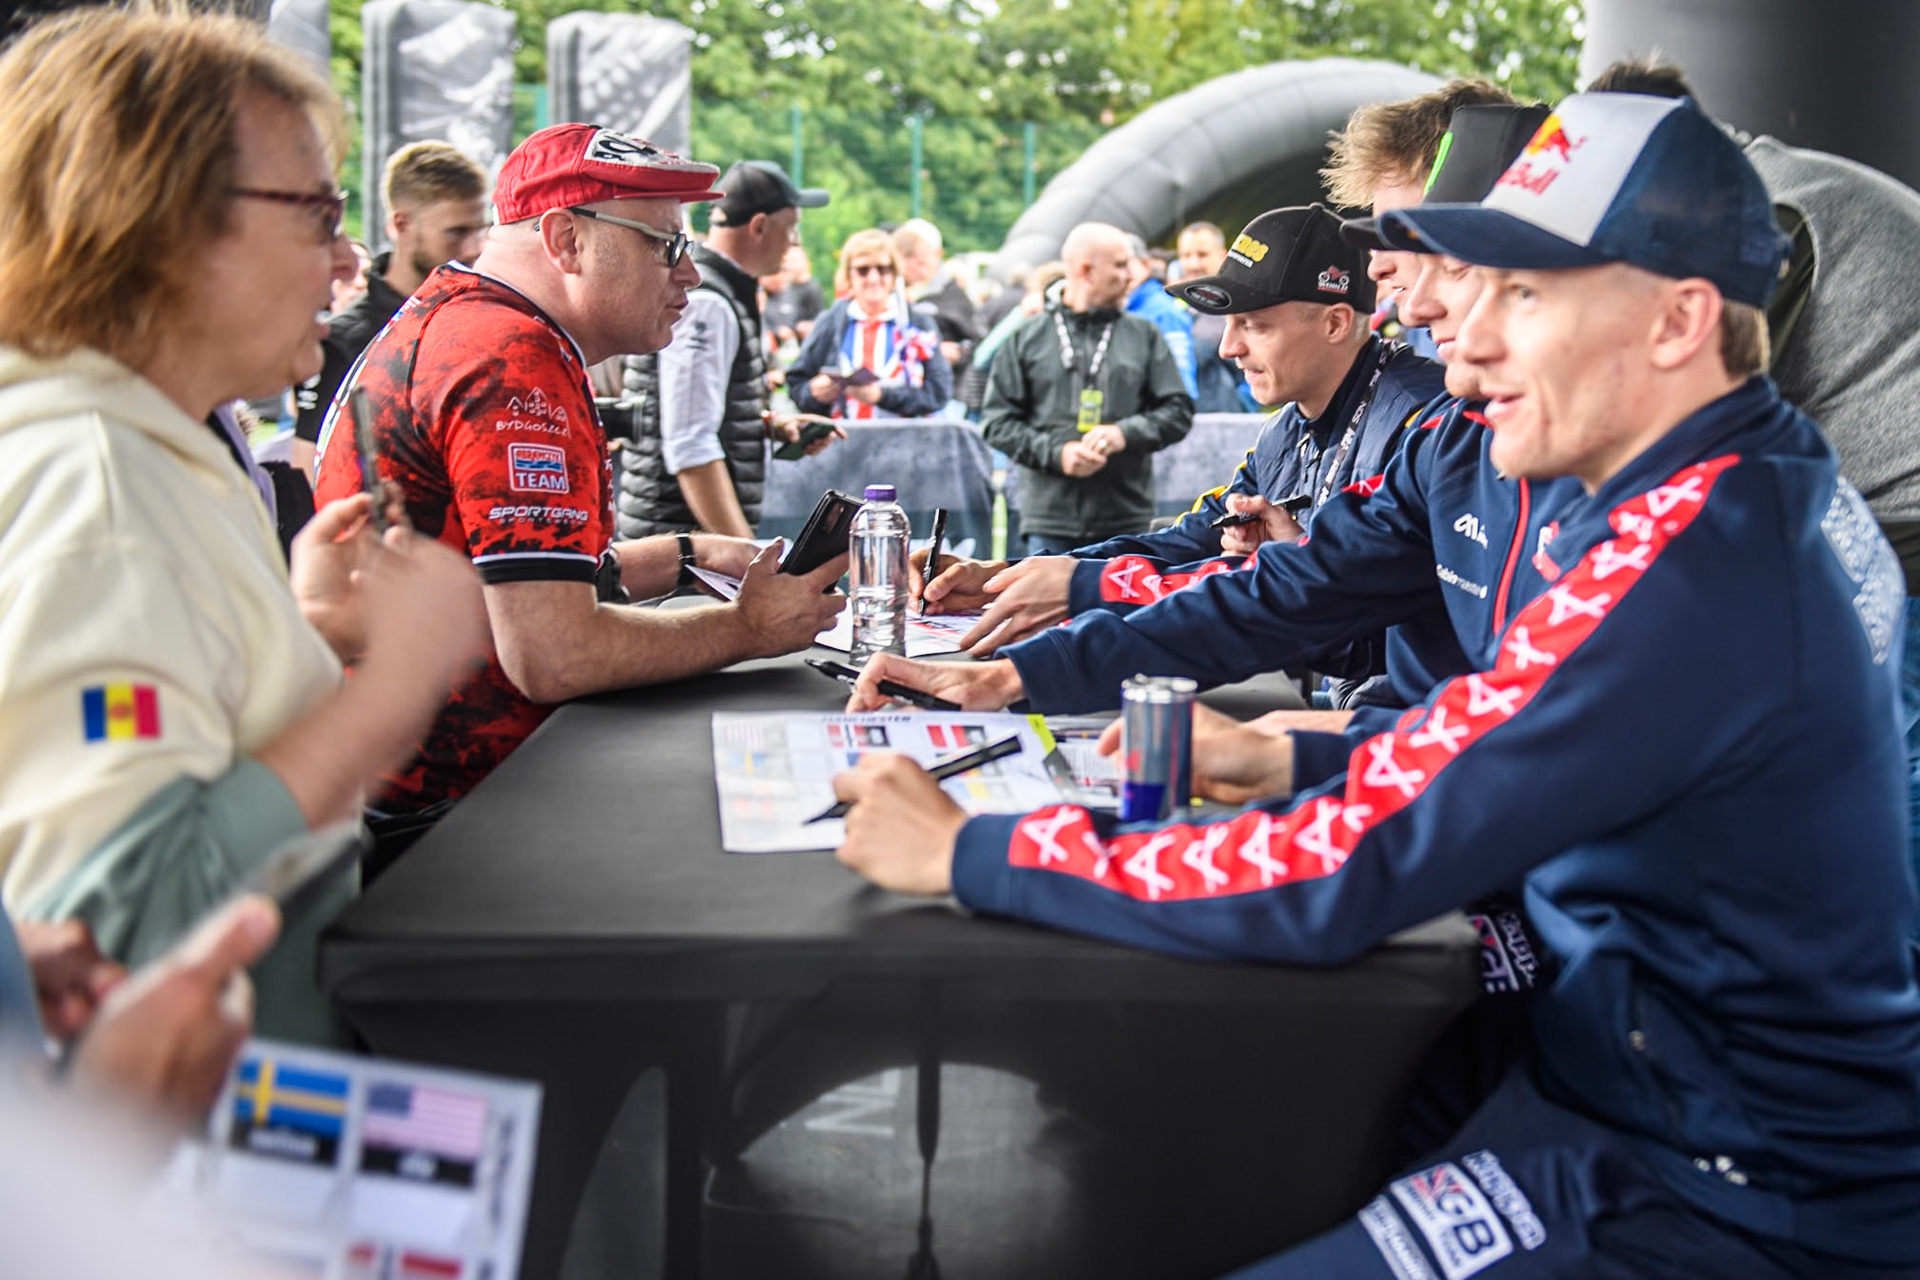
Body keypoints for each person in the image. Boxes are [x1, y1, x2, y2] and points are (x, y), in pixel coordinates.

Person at [837, 92, 1920, 1277]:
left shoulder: (1689, 557)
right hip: (1616, 1099)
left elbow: (1346, 864)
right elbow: (1498, 724)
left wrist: (971, 852)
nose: (1462, 330)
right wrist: (1286, 753)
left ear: (1677, 323)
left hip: (1721, 1189)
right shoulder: (1727, 485)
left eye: (1524, 292)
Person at [0, 6, 488, 1042]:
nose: (348, 256)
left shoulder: (133, 447)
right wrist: (392, 690)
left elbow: (151, 730)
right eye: (315, 212)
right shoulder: (102, 487)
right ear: (160, 222)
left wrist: (293, 628)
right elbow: (113, 935)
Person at [311, 124, 848, 821]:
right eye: (667, 245)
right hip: (463, 814)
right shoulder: (510, 359)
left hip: (417, 784)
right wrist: (749, 628)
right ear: (566, 240)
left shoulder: (464, 318)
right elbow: (554, 654)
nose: (688, 270)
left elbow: (517, 580)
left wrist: (693, 552)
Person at [1586, 56, 1920, 938]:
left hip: (1906, 525)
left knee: (1898, 807)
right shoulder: (1782, 177)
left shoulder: (1756, 209)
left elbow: (1709, 401)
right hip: (1883, 511)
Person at [920, 206, 1443, 674]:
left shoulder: (1421, 418)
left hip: (1414, 727)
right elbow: (1190, 540)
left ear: (1334, 322)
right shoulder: (1284, 429)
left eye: (1254, 325)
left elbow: (1352, 610)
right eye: (1227, 323)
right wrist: (1011, 576)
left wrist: (1079, 592)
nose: (1227, 348)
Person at [616, 159, 831, 540]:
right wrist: (748, 560)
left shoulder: (716, 292)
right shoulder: (707, 302)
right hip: (682, 556)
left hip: (678, 543)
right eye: (792, 228)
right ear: (759, 226)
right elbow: (690, 443)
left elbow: (687, 415)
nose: (795, 242)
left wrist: (763, 424)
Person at [982, 221, 1194, 554]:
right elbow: (997, 423)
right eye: (1121, 265)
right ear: (1085, 270)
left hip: (1126, 519)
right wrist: (1057, 454)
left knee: (1125, 608)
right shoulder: (1028, 336)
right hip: (1048, 522)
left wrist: (1125, 433)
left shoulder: (1144, 335)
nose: (1131, 275)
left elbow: (1178, 411)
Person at [290, 141, 490, 479]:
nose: (473, 248)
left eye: (480, 229)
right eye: (456, 232)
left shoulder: (487, 322)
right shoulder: (344, 342)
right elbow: (308, 472)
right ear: (400, 224)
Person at [786, 228, 953, 421]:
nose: (873, 279)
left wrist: (881, 396)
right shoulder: (832, 321)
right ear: (849, 275)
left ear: (894, 274)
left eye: (882, 269)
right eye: (863, 270)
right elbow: (797, 385)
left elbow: (939, 393)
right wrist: (814, 393)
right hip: (844, 443)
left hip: (905, 443)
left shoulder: (917, 323)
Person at [894, 216, 982, 384]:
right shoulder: (891, 293)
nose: (918, 269)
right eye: (911, 257)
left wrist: (958, 353)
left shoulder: (954, 297)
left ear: (937, 253)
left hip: (943, 388)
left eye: (922, 260)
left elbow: (976, 343)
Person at [1178, 221, 1254, 412]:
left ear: (1223, 256)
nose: (1193, 264)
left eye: (1202, 255)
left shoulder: (1244, 308)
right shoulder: (1175, 309)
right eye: (1186, 255)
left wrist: (1239, 406)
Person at [1124, 233, 1198, 399]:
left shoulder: (1164, 312)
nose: (1121, 274)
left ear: (1144, 264)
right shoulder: (1121, 309)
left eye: (1124, 264)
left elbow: (1182, 388)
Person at [761, 242, 825, 349]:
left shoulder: (810, 289)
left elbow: (816, 317)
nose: (789, 265)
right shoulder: (778, 291)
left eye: (793, 260)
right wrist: (777, 330)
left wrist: (802, 328)